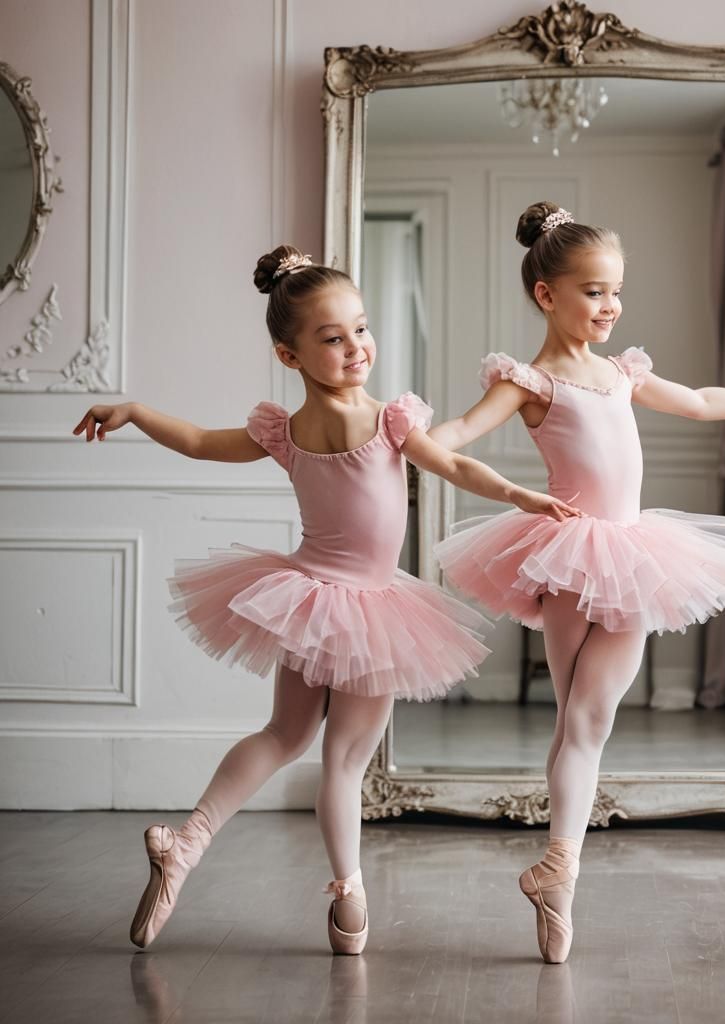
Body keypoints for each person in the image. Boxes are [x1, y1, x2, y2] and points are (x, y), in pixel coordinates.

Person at [72, 245, 580, 954]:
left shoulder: (286, 432)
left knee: (283, 736)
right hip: (366, 610)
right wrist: (521, 494)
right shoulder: (388, 421)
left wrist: (134, 410)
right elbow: (455, 464)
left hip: (306, 599)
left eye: (361, 329)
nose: (356, 347)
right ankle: (348, 899)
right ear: (290, 355)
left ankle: (186, 843)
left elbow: (199, 441)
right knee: (343, 762)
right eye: (333, 338)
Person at [428, 203, 725, 963]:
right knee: (579, 723)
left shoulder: (621, 374)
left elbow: (700, 403)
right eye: (594, 292)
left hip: (632, 553)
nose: (610, 305)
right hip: (568, 558)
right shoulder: (531, 382)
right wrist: (401, 439)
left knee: (586, 722)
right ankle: (558, 875)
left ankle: (556, 873)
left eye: (616, 291)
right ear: (547, 295)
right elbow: (454, 436)